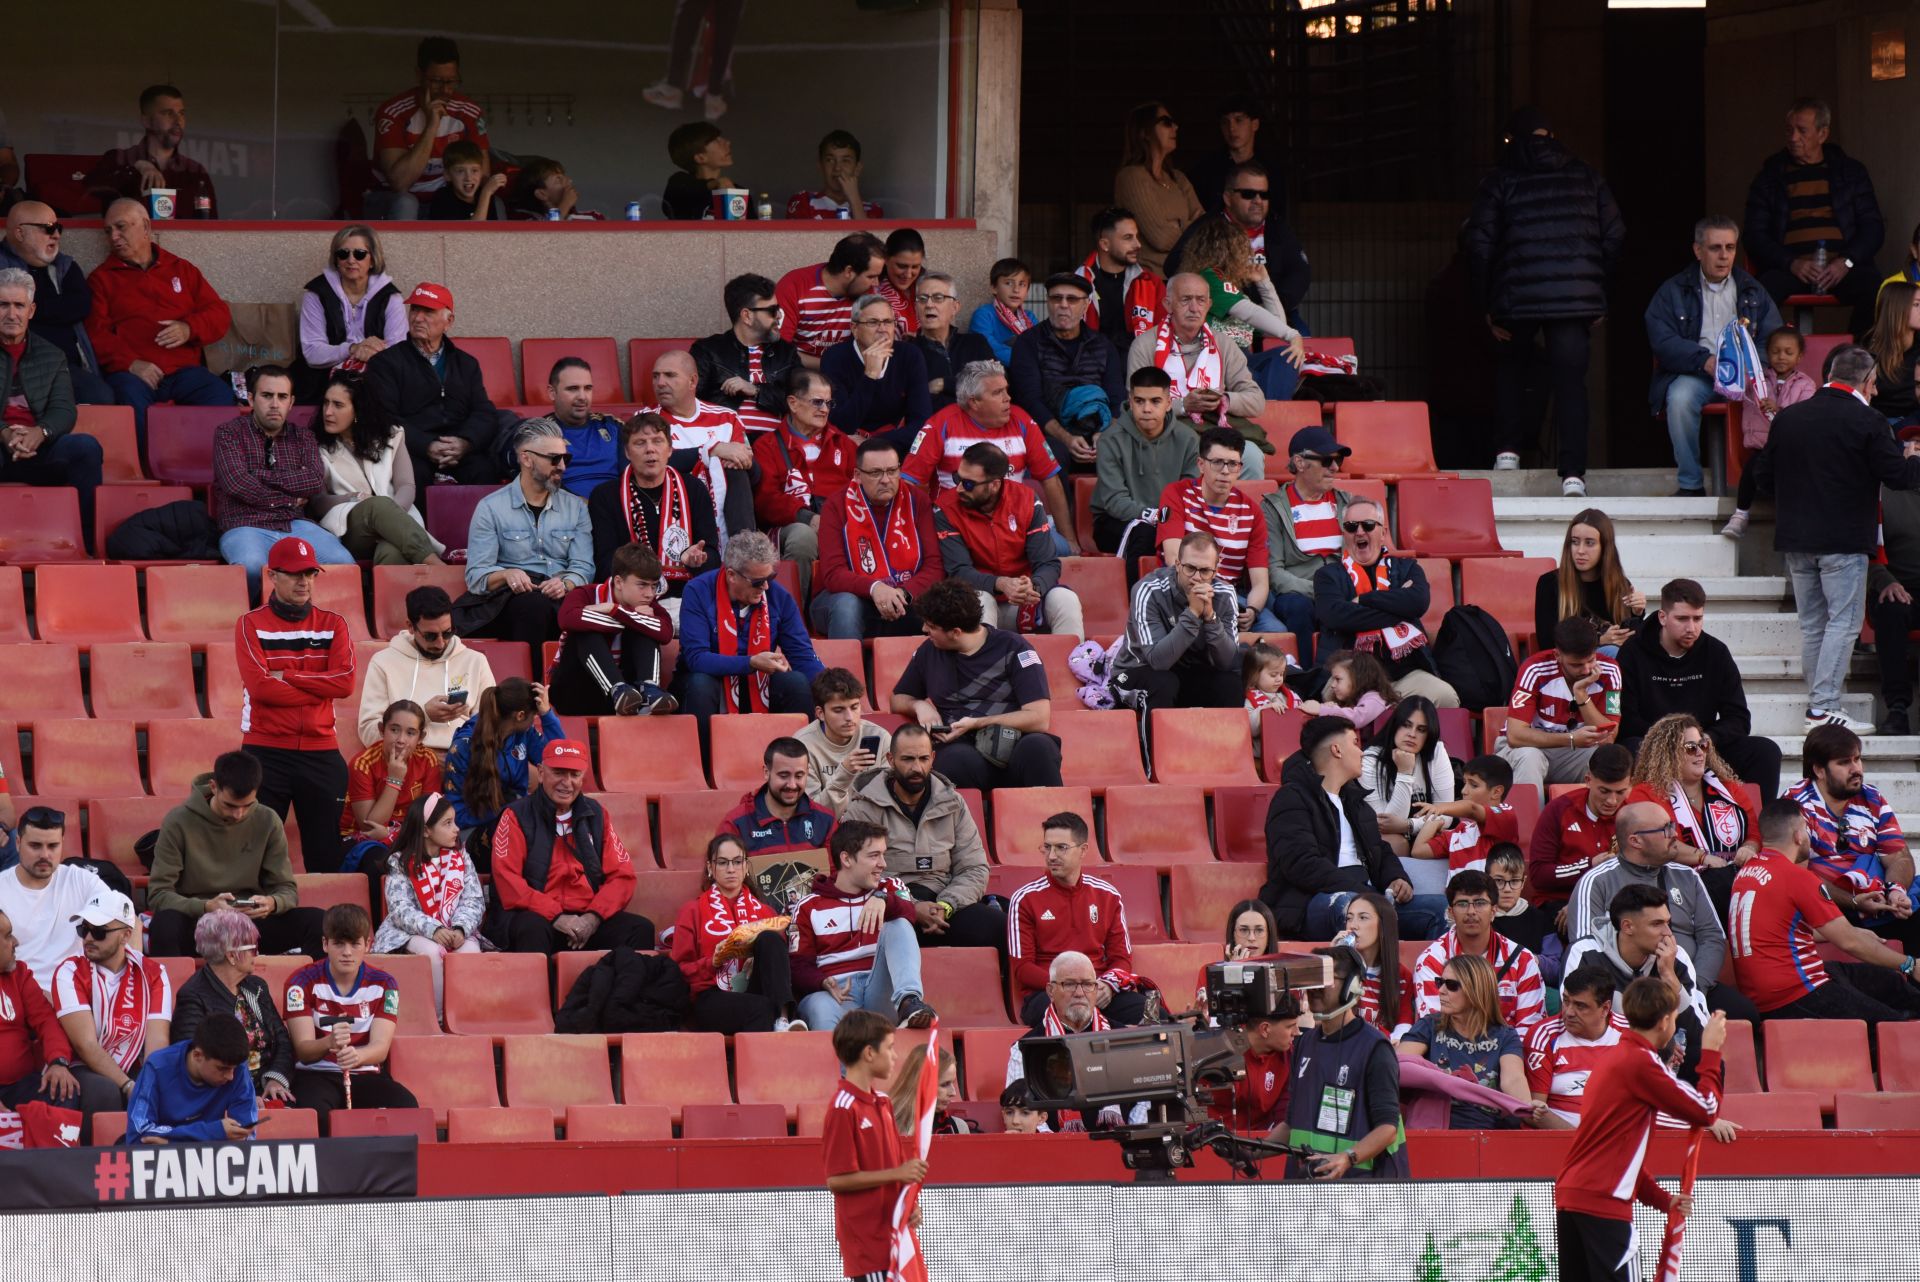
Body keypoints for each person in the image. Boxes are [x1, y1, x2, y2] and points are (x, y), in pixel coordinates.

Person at [1750, 343, 1920, 732]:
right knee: (1842, 624)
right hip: (1843, 542)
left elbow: (1762, 478)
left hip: (1796, 539)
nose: (1876, 392)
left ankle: (1820, 705)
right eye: (1874, 385)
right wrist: (1914, 461)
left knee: (1813, 625)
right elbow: (1898, 477)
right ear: (1868, 380)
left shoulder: (1789, 418)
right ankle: (1823, 706)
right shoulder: (1869, 420)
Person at [1462, 107, 1624, 495]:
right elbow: (1615, 235)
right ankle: (1572, 475)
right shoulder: (1587, 177)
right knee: (1570, 383)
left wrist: (1487, 303)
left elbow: (1478, 244)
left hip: (1516, 297)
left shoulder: (1501, 181)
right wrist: (1599, 294)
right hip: (1574, 302)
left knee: (1512, 368)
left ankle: (1506, 454)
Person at [1553, 977, 1727, 1282]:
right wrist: (1711, 1051)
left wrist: (1663, 1200)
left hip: (1574, 1197)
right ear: (1664, 1022)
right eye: (1674, 1017)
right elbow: (1706, 1111)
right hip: (1603, 1203)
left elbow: (1616, 1151)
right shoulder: (1642, 1063)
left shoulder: (1613, 1060)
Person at [1728, 799, 1920, 1023]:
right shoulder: (1797, 878)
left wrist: (1856, 933)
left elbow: (1779, 931)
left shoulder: (1745, 873)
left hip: (1772, 991)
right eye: (1807, 830)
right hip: (1794, 994)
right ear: (1798, 836)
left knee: (1889, 983)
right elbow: (1850, 943)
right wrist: (1909, 965)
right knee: (1891, 1024)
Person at [1262, 715, 1447, 942]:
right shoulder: (1292, 797)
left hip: (1368, 898)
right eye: (1355, 743)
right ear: (1337, 750)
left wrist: (1397, 879)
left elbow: (1380, 851)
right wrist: (1364, 895)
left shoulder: (1356, 803)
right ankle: (1363, 976)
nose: (1362, 752)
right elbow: (1301, 864)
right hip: (1312, 901)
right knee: (1350, 907)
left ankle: (1431, 976)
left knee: (1443, 910)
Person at [231, 533, 355, 871]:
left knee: (326, 856)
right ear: (272, 575)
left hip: (321, 752)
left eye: (311, 573)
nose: (305, 582)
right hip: (266, 751)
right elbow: (261, 688)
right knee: (254, 856)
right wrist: (318, 686)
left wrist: (290, 676)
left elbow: (344, 684)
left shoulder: (334, 623)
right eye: (296, 573)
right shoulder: (249, 623)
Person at [1644, 216, 1782, 497]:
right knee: (1679, 398)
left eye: (1730, 248)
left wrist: (1755, 369)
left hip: (1746, 378)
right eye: (1715, 248)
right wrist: (1704, 360)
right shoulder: (1673, 290)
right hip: (1698, 375)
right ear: (1698, 251)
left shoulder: (1752, 289)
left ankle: (1764, 485)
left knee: (1775, 401)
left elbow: (1773, 337)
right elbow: (1663, 339)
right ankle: (1691, 485)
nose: (1724, 256)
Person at [890, 577, 1064, 792]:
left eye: (932, 626)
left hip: (1014, 743)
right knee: (954, 759)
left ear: (956, 632)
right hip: (962, 748)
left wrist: (977, 722)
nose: (925, 629)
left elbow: (1039, 717)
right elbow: (898, 699)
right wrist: (920, 705)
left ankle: (1057, 823)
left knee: (1039, 748)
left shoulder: (1015, 647)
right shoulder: (929, 651)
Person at [838, 724, 1002, 951]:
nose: (917, 768)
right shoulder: (863, 807)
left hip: (945, 902)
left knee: (1000, 928)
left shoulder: (953, 803)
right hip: (890, 907)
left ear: (933, 758)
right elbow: (857, 874)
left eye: (924, 758)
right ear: (890, 759)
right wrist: (911, 907)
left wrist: (946, 905)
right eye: (907, 759)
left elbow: (974, 868)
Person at [85, 198, 234, 448]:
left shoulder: (182, 269)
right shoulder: (101, 280)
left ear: (145, 226)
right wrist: (130, 363)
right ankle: (151, 476)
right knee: (129, 401)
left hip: (184, 371)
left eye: (121, 227)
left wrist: (189, 328)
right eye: (108, 231)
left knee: (220, 397)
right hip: (133, 375)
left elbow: (219, 314)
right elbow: (94, 333)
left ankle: (212, 476)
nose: (114, 236)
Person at [146, 751, 324, 959]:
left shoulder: (268, 820)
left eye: (247, 806)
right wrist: (206, 906)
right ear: (213, 787)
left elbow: (287, 890)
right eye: (229, 805)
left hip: (250, 921)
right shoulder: (178, 821)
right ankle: (174, 990)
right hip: (198, 920)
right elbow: (158, 895)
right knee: (164, 925)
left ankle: (310, 988)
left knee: (320, 922)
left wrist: (272, 903)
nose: (238, 814)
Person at [1616, 577, 1781, 797]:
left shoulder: (1716, 653)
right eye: (1682, 619)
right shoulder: (1633, 651)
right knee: (1629, 749)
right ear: (1663, 617)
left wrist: (1705, 741)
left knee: (1765, 751)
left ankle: (1762, 828)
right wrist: (1671, 742)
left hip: (1705, 746)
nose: (1691, 628)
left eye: (1697, 618)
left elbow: (1738, 718)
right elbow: (1626, 719)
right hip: (1652, 745)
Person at [491, 740, 652, 954]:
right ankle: (540, 988)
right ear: (540, 773)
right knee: (532, 929)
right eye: (558, 773)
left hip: (585, 917)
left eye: (574, 775)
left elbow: (622, 877)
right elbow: (507, 881)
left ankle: (609, 988)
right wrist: (555, 916)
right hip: (537, 916)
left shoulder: (596, 814)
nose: (567, 783)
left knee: (640, 930)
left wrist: (593, 917)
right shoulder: (516, 815)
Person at [1744, 97, 1884, 335]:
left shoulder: (1850, 172)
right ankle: (1766, 362)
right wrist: (1791, 262)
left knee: (1876, 290)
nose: (1793, 138)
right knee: (1756, 297)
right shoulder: (1770, 177)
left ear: (1822, 134)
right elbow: (1754, 234)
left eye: (1802, 131)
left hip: (1841, 268)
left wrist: (1846, 261)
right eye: (1789, 130)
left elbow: (1873, 228)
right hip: (1790, 268)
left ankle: (1857, 358)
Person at [905, 359, 1079, 552]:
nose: (1008, 398)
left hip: (1014, 523)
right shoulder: (941, 424)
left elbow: (1050, 479)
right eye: (997, 393)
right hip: (958, 525)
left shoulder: (1022, 420)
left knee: (1062, 548)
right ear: (974, 402)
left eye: (1006, 389)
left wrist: (1069, 538)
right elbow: (910, 483)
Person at [211, 367, 350, 594]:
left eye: (282, 397)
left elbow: (314, 480)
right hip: (244, 524)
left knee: (341, 562)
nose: (275, 404)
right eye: (267, 396)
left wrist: (257, 474)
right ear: (251, 398)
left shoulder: (304, 436)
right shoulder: (229, 433)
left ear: (291, 402)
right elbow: (237, 483)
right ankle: (259, 625)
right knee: (253, 568)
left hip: (295, 524)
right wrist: (288, 499)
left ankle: (318, 625)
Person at [1569, 803, 1728, 1000]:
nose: (1674, 834)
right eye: (1665, 829)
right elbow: (1586, 949)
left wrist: (1694, 987)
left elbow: (1712, 936)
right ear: (1636, 841)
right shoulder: (1596, 881)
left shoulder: (1688, 877)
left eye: (1672, 825)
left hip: (1690, 983)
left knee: (1745, 1012)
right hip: (1627, 991)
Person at [459, 418, 596, 646]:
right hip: (511, 601)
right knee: (534, 607)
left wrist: (566, 583)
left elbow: (583, 567)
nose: (562, 466)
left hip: (560, 597)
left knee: (584, 614)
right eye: (554, 458)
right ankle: (530, 681)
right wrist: (507, 574)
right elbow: (476, 576)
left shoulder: (577, 507)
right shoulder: (490, 507)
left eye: (565, 458)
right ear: (526, 458)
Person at [1312, 497, 1459, 707]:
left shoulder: (1407, 568)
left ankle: (1436, 742)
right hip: (1349, 675)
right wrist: (1400, 610)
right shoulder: (1327, 575)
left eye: (1368, 525)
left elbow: (1418, 602)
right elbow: (1335, 616)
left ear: (1383, 533)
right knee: (1339, 698)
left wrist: (1363, 600)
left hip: (1405, 675)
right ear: (1344, 534)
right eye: (1351, 527)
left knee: (1445, 696)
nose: (1360, 532)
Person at [1783, 723, 1920, 948]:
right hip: (1826, 907)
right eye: (1844, 762)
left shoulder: (1872, 798)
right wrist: (1854, 902)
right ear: (1819, 770)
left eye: (1857, 759)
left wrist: (1895, 890)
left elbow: (1898, 856)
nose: (1856, 769)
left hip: (1876, 900)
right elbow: (1798, 875)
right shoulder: (1795, 805)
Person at [790, 822, 935, 1032]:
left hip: (882, 990)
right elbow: (798, 967)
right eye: (874, 855)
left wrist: (884, 899)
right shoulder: (807, 906)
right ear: (846, 858)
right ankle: (834, 1065)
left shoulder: (890, 887)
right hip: (836, 994)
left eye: (883, 854)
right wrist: (822, 982)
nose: (883, 864)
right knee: (819, 1007)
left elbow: (910, 914)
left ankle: (909, 1002)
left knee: (899, 922)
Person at [672, 530, 823, 731]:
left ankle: (799, 758)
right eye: (758, 582)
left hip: (758, 684)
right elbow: (696, 659)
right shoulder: (698, 591)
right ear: (732, 575)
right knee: (701, 685)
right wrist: (751, 662)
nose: (766, 587)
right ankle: (704, 761)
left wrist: (832, 688)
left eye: (771, 577)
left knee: (796, 682)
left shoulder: (778, 596)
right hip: (709, 682)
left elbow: (803, 656)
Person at [935, 442, 1085, 640]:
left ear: (994, 485)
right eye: (958, 479)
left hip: (1024, 602)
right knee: (981, 599)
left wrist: (1034, 586)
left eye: (969, 484)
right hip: (978, 605)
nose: (960, 488)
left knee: (1066, 599)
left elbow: (1047, 563)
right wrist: (1001, 583)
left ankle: (1072, 666)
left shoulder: (1026, 500)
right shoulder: (945, 509)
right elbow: (958, 572)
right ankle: (983, 670)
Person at [283, 905, 417, 1124]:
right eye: (338, 943)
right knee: (318, 1116)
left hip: (365, 1072)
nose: (347, 952)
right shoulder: (300, 982)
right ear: (325, 944)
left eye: (355, 944)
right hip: (315, 1073)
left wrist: (358, 1056)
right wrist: (328, 1042)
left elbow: (380, 1048)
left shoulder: (385, 984)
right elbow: (303, 1051)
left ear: (367, 944)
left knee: (406, 1106)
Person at [1283, 944, 1406, 1180]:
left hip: (1359, 1191)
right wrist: (1253, 1149)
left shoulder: (1375, 1048)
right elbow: (1291, 1123)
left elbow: (1388, 1128)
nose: (1316, 988)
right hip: (1303, 1186)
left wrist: (1347, 1157)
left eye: (1327, 980)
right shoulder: (1303, 1044)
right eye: (1313, 979)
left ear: (1352, 985)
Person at [0, 268, 103, 547]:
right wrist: (6, 433)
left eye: (19, 305)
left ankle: (84, 544)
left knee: (86, 448)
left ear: (31, 310)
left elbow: (64, 409)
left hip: (39, 448)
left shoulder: (52, 355)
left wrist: (40, 432)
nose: (11, 314)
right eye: (4, 305)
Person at [1109, 531, 1243, 746]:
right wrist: (1192, 614)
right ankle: (1155, 768)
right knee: (1164, 682)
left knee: (1230, 684)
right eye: (1190, 568)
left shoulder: (1224, 593)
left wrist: (1210, 617)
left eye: (1205, 571)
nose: (1197, 577)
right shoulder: (1148, 590)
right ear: (1178, 564)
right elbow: (1158, 661)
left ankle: (1224, 762)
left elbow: (1228, 662)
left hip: (1186, 675)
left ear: (1216, 570)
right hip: (1135, 672)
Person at [1007, 814, 1142, 1026]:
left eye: (1061, 847)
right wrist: (1070, 988)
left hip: (1096, 989)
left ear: (1083, 850)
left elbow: (1121, 957)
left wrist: (1105, 985)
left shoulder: (1108, 895)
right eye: (1047, 847)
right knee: (1073, 1018)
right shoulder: (1024, 898)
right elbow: (1022, 969)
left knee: (1152, 1015)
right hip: (1048, 993)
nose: (1052, 856)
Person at [822, 1010, 926, 1282]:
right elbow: (837, 1179)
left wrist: (909, 1205)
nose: (894, 1056)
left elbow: (896, 1167)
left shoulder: (883, 1102)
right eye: (890, 1048)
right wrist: (898, 1175)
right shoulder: (843, 1108)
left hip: (893, 1234)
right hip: (868, 1244)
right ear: (869, 1053)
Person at [362, 281, 501, 486]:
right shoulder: (385, 363)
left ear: (449, 321)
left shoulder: (466, 364)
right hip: (410, 449)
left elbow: (484, 412)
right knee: (412, 477)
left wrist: (465, 442)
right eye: (415, 309)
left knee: (486, 471)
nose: (418, 318)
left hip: (458, 449)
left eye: (428, 311)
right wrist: (426, 445)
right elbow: (384, 416)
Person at [53, 889, 173, 1122]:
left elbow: (157, 1044)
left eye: (99, 932)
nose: (88, 938)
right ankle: (94, 1158)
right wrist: (128, 1086)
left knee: (169, 1086)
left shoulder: (154, 973)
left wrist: (149, 1085)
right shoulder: (69, 972)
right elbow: (86, 1045)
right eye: (83, 929)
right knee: (104, 1091)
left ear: (126, 935)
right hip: (84, 1065)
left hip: (134, 1064)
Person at [587, 412, 719, 616]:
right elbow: (605, 563)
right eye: (640, 443)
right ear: (627, 452)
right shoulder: (605, 496)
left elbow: (712, 556)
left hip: (689, 597)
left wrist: (697, 560)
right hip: (633, 603)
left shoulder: (693, 489)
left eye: (657, 441)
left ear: (670, 450)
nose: (650, 449)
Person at [671, 834, 803, 1035]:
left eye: (737, 862)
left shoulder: (765, 912)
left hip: (756, 988)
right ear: (710, 867)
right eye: (723, 863)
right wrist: (712, 961)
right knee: (761, 1008)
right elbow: (679, 970)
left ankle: (783, 1019)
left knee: (770, 938)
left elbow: (779, 965)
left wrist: (755, 956)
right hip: (711, 995)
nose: (731, 869)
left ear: (746, 866)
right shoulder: (692, 911)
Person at [812, 437, 940, 640]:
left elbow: (934, 566)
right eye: (875, 473)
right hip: (847, 600)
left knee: (942, 603)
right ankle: (844, 672)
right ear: (857, 475)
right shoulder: (836, 505)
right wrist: (875, 588)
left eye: (892, 471)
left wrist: (903, 593)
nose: (886, 479)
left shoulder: (918, 501)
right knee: (847, 606)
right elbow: (833, 573)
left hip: (904, 599)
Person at [371, 793, 485, 1022]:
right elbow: (401, 909)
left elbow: (473, 900)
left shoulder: (461, 858)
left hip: (455, 930)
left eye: (455, 821)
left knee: (470, 952)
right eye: (447, 823)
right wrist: (434, 930)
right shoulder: (400, 861)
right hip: (408, 932)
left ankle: (462, 1019)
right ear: (425, 830)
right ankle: (437, 1020)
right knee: (433, 954)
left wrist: (461, 929)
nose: (456, 829)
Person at [309, 371, 443, 564]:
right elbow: (318, 503)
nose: (328, 412)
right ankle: (436, 565)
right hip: (347, 528)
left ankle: (382, 594)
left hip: (398, 522)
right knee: (377, 506)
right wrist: (352, 498)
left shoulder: (391, 435)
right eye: (326, 403)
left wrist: (387, 516)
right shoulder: (314, 445)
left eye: (338, 405)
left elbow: (406, 485)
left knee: (391, 552)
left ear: (358, 410)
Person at [1171, 213, 1306, 401]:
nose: (1249, 256)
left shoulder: (1234, 289)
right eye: (1244, 250)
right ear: (1228, 252)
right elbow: (1249, 312)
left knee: (1286, 356)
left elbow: (1276, 325)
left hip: (1243, 364)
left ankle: (1271, 413)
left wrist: (1264, 282)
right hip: (1216, 363)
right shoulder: (1209, 278)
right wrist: (1292, 334)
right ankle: (1268, 413)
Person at [1166, 159, 1312, 329]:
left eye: (1264, 195)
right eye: (1248, 194)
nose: (1258, 200)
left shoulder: (1278, 227)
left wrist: (1274, 305)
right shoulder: (1208, 227)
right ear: (1228, 198)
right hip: (1222, 317)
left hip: (1276, 308)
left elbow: (1300, 272)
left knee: (1301, 345)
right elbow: (1174, 266)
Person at [1626, 712, 1760, 897]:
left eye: (1703, 745)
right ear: (1668, 753)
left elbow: (1754, 833)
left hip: (1733, 874)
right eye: (1690, 747)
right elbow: (1657, 843)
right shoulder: (1645, 794)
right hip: (1676, 882)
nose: (1700, 753)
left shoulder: (1728, 789)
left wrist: (1749, 848)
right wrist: (1703, 857)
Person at [169, 910, 295, 1107]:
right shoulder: (193, 995)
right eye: (252, 948)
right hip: (219, 1094)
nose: (257, 954)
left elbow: (282, 1039)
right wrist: (240, 1095)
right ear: (232, 956)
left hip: (266, 1088)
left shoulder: (256, 987)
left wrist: (275, 1079)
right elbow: (194, 1059)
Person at [753, 366, 859, 594]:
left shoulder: (844, 444)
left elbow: (860, 492)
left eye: (829, 403)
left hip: (839, 522)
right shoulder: (767, 446)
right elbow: (765, 501)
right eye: (817, 402)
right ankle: (793, 618)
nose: (825, 410)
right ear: (793, 403)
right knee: (803, 537)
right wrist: (808, 518)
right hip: (787, 526)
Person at [1126, 274, 1268, 444]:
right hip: (1164, 433)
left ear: (1208, 305)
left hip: (1216, 432)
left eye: (1201, 300)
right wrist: (1183, 405)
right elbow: (1134, 406)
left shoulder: (1224, 344)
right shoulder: (1145, 345)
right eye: (1185, 300)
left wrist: (1223, 400)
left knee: (1252, 457)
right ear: (1168, 304)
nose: (1194, 308)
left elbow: (1256, 401)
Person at [1257, 428, 1359, 664]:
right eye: (1326, 460)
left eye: (1338, 460)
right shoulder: (1273, 507)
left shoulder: (1349, 503)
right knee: (1298, 607)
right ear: (1299, 462)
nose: (1335, 467)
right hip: (1298, 592)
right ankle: (1306, 677)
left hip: (1341, 588)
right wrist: (1321, 591)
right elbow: (1274, 572)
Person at [1156, 426, 1273, 628]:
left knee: (1275, 631)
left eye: (1233, 464)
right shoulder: (1176, 494)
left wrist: (1252, 610)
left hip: (1231, 595)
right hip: (1183, 592)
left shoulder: (1252, 511)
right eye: (1217, 462)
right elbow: (1172, 557)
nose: (1225, 471)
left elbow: (1260, 581)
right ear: (1201, 464)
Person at [1399, 953, 1531, 1129]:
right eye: (1440, 982)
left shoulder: (1506, 1035)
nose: (1441, 991)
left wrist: (1526, 1106)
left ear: (1476, 991)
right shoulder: (1430, 1025)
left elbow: (1513, 1079)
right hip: (1435, 1128)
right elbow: (1399, 1064)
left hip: (1487, 1131)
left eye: (1452, 986)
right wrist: (1442, 1079)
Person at [358, 584, 496, 753]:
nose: (440, 643)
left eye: (447, 633)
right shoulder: (383, 662)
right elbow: (369, 731)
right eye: (430, 636)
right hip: (408, 757)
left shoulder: (476, 661)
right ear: (410, 627)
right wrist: (422, 716)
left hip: (463, 757)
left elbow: (493, 724)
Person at [1008, 272, 1124, 468]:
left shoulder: (1103, 345)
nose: (1063, 305)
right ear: (1048, 302)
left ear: (1085, 305)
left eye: (1072, 299)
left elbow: (1117, 398)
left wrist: (1104, 436)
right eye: (1056, 298)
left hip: (1099, 431)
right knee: (1053, 453)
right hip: (1049, 433)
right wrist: (1066, 438)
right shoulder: (1028, 342)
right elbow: (1030, 401)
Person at [548, 542, 676, 717]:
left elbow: (666, 633)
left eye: (654, 586)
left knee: (647, 627)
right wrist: (630, 618)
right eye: (642, 585)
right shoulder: (585, 594)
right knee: (585, 630)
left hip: (631, 696)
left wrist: (616, 611)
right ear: (619, 582)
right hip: (575, 691)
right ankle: (618, 689)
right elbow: (567, 618)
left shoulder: (649, 605)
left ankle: (650, 690)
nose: (649, 594)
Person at [370, 36, 490, 220]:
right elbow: (400, 183)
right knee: (407, 202)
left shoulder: (469, 112)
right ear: (419, 75)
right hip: (392, 199)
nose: (445, 90)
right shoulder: (393, 112)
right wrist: (432, 124)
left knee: (487, 201)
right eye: (436, 81)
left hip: (445, 198)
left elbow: (483, 175)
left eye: (451, 81)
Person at [1499, 617, 1622, 797]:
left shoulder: (1610, 671)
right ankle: (1530, 824)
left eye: (1591, 660)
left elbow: (1607, 738)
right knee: (1529, 757)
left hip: (1575, 753)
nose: (1587, 670)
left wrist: (1582, 696)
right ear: (1558, 655)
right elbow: (1515, 736)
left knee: (1605, 758)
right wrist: (1571, 739)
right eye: (1577, 665)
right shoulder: (1535, 669)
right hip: (1527, 748)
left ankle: (1586, 823)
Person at [2, 202, 109, 405]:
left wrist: (34, 306)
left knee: (101, 397)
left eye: (58, 228)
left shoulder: (64, 265)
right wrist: (54, 306)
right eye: (48, 228)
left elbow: (81, 305)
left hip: (65, 366)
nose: (57, 235)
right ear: (20, 233)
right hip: (12, 366)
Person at [1410, 870, 1545, 1031]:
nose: (1471, 912)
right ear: (1451, 912)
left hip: (1509, 1053)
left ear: (1494, 911)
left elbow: (1529, 1029)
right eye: (1462, 904)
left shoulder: (1522, 959)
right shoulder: (1431, 961)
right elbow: (1434, 1027)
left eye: (1480, 903)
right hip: (1450, 1053)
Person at [441, 677, 563, 855]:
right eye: (534, 716)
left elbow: (559, 760)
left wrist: (547, 716)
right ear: (520, 715)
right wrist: (504, 813)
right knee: (527, 833)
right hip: (472, 834)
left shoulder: (523, 733)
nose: (533, 721)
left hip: (515, 820)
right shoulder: (465, 745)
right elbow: (455, 814)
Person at [1091, 367, 1198, 567]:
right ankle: (1136, 597)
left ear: (1168, 403)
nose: (1146, 408)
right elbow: (1115, 502)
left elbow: (1190, 495)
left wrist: (1166, 519)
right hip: (1114, 521)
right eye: (1139, 401)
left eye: (1155, 401)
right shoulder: (1110, 440)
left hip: (1170, 519)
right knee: (1145, 534)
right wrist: (1157, 516)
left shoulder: (1188, 439)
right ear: (1130, 401)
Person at [1722, 327, 1819, 538]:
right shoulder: (1756, 380)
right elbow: (1735, 386)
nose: (1781, 356)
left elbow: (1806, 415)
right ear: (1767, 353)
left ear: (1799, 356)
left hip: (1791, 449)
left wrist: (1779, 410)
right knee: (1751, 469)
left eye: (1788, 352)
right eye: (1775, 351)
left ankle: (1791, 522)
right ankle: (1740, 515)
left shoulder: (1806, 384)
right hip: (1762, 446)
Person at [0, 808, 109, 994]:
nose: (45, 855)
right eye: (35, 846)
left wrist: (128, 977)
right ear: (18, 843)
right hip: (20, 997)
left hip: (77, 995)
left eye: (52, 846)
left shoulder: (80, 880)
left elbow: (129, 921)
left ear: (62, 844)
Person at [646, 350, 755, 534]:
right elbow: (654, 468)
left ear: (693, 381)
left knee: (735, 470)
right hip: (676, 518)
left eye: (670, 375)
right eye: (656, 376)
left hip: (729, 514)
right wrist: (712, 450)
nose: (660, 383)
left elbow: (743, 462)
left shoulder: (727, 418)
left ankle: (744, 549)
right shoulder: (645, 422)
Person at [295, 225, 406, 397]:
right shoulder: (316, 294)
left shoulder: (391, 298)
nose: (351, 260)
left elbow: (398, 354)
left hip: (374, 385)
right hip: (322, 387)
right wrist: (353, 349)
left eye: (359, 254)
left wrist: (369, 353)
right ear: (336, 260)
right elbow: (312, 352)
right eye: (343, 254)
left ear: (373, 260)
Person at [1527, 742, 1632, 920]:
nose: (1612, 801)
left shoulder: (1632, 816)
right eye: (1604, 791)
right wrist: (1589, 865)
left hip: (1612, 903)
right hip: (1559, 903)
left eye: (1620, 792)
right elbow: (1538, 875)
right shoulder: (1559, 810)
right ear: (1588, 780)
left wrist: (1587, 901)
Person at [85, 85, 217, 218]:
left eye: (181, 113)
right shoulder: (119, 159)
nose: (178, 121)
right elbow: (88, 188)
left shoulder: (195, 171)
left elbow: (211, 227)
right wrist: (136, 167)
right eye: (168, 113)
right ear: (146, 121)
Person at [692, 272, 800, 435]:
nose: (779, 316)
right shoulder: (708, 351)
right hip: (726, 442)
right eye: (772, 310)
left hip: (776, 446)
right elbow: (689, 402)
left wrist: (756, 390)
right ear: (747, 316)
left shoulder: (786, 353)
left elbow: (802, 401)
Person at [126, 1014, 256, 1145]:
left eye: (234, 1069)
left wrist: (171, 1140)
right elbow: (139, 1135)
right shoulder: (157, 1066)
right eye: (222, 1068)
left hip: (209, 1159)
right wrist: (213, 1132)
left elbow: (245, 1136)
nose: (230, 1076)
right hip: (162, 1162)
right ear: (197, 1055)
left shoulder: (236, 1066)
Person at [1525, 964, 1628, 1129]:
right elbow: (1533, 1112)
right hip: (1560, 1145)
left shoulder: (1631, 1035)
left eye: (1580, 1006)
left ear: (1605, 1008)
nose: (1569, 1012)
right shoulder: (1544, 1035)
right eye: (1566, 1001)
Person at [1359, 697, 1453, 874]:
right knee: (1395, 842)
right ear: (1395, 725)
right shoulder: (1371, 759)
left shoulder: (1437, 752)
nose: (1412, 734)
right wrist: (1404, 772)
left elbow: (1446, 813)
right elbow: (1385, 822)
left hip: (1425, 833)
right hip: (1389, 838)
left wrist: (1409, 825)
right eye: (1406, 725)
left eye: (1421, 729)